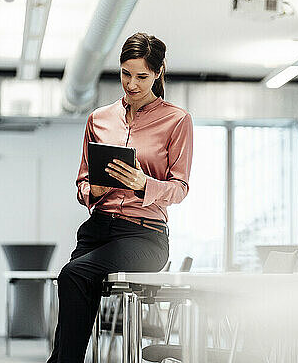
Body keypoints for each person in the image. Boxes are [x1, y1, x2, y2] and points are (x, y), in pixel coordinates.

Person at [46, 32, 194, 363]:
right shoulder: (98, 119)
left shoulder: (177, 120)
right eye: (125, 73)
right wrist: (93, 191)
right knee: (73, 282)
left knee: (73, 274)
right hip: (97, 229)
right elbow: (82, 184)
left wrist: (144, 184)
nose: (132, 83)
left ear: (158, 72)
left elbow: (180, 188)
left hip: (145, 235)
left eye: (141, 76)